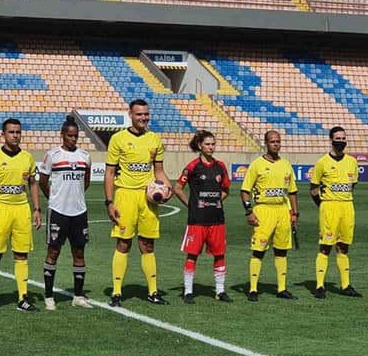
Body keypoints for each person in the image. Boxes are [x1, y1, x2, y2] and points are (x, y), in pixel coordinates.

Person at [104, 99, 173, 307]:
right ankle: (116, 292)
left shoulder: (154, 139)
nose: (143, 118)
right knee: (123, 243)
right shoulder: (118, 139)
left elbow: (159, 171)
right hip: (125, 196)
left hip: (148, 198)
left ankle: (153, 292)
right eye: (139, 114)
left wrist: (167, 188)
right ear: (130, 115)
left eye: (146, 114)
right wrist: (109, 202)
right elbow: (109, 173)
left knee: (147, 244)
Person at [0, 118, 42, 313]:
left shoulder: (27, 158)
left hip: (21, 210)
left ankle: (23, 298)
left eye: (18, 132)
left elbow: (32, 183)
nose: (15, 135)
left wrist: (37, 209)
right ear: (3, 134)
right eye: (12, 132)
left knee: (21, 255)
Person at [39, 115, 92, 310]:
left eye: (75, 136)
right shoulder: (53, 155)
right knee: (53, 251)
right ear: (62, 135)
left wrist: (75, 196)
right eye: (69, 136)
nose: (73, 139)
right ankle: (49, 296)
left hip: (79, 211)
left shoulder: (85, 156)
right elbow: (43, 182)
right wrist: (54, 199)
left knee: (79, 252)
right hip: (58, 211)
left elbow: (86, 180)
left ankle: (78, 296)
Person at [174, 130, 232, 304]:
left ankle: (220, 291)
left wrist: (214, 201)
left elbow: (226, 190)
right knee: (192, 255)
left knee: (220, 254)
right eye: (207, 144)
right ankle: (188, 291)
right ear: (200, 145)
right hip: (197, 220)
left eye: (213, 144)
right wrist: (192, 205)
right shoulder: (193, 166)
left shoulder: (220, 166)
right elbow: (177, 188)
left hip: (217, 218)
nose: (211, 147)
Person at [241, 130, 299, 302]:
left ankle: (282, 288)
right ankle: (253, 289)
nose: (276, 144)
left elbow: (293, 192)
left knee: (281, 251)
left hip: (282, 210)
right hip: (263, 210)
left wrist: (295, 213)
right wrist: (249, 211)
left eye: (278, 141)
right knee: (259, 251)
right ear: (266, 143)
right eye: (273, 141)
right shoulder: (257, 165)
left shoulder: (286, 165)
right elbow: (245, 191)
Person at [310, 126, 362, 299]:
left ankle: (346, 285)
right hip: (329, 207)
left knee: (343, 247)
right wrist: (323, 205)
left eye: (343, 138)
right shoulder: (322, 162)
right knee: (325, 246)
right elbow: (313, 189)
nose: (341, 142)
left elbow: (352, 185)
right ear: (331, 140)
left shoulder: (352, 162)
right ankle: (319, 286)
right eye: (337, 139)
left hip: (347, 206)